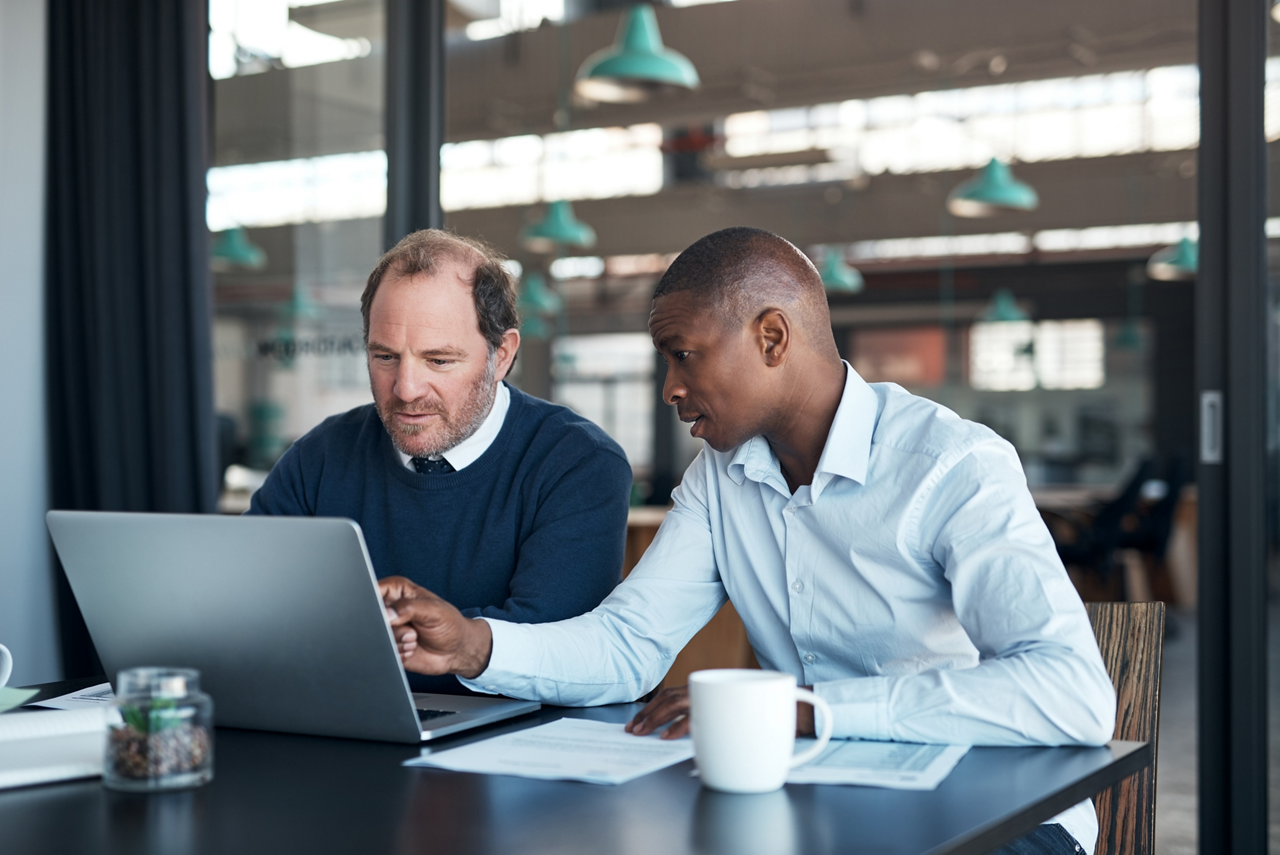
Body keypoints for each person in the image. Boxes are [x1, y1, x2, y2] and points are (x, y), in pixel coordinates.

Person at [377, 227, 1115, 854]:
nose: (669, 385)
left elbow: (1072, 695)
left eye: (683, 353)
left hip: (998, 818)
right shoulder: (723, 478)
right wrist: (476, 644)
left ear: (771, 337)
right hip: (825, 805)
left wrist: (808, 707)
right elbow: (628, 643)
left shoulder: (951, 463)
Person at [248, 229, 633, 694]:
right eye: (385, 356)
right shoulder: (322, 455)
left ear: (502, 355)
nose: (406, 388)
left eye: (439, 361)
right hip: (346, 724)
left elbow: (552, 653)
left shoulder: (577, 464)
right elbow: (250, 606)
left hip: (512, 745)